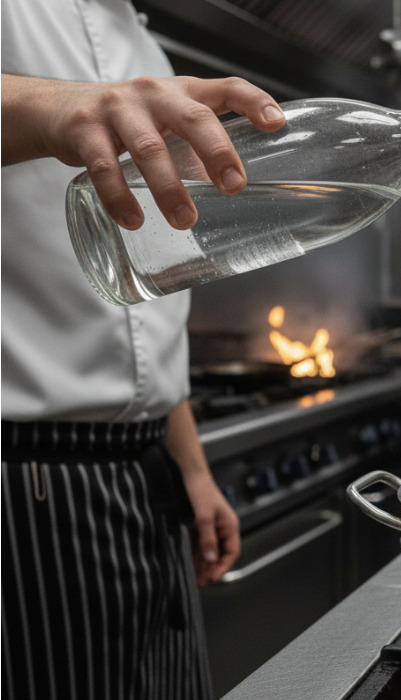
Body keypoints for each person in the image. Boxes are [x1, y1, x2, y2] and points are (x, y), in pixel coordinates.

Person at [1, 1, 286, 698]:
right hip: (22, 482)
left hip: (144, 473)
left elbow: (152, 297)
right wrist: (54, 107)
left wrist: (190, 467)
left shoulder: (145, 47)